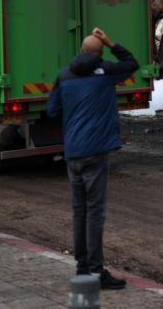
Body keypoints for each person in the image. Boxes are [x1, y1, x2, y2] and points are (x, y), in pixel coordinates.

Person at [47, 27, 137, 291]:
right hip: (96, 152)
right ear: (99, 53)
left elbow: (52, 111)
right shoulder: (106, 72)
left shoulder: (63, 75)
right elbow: (131, 63)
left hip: (73, 151)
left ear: (81, 51)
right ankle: (96, 271)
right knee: (95, 212)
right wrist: (110, 42)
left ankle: (82, 267)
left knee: (79, 211)